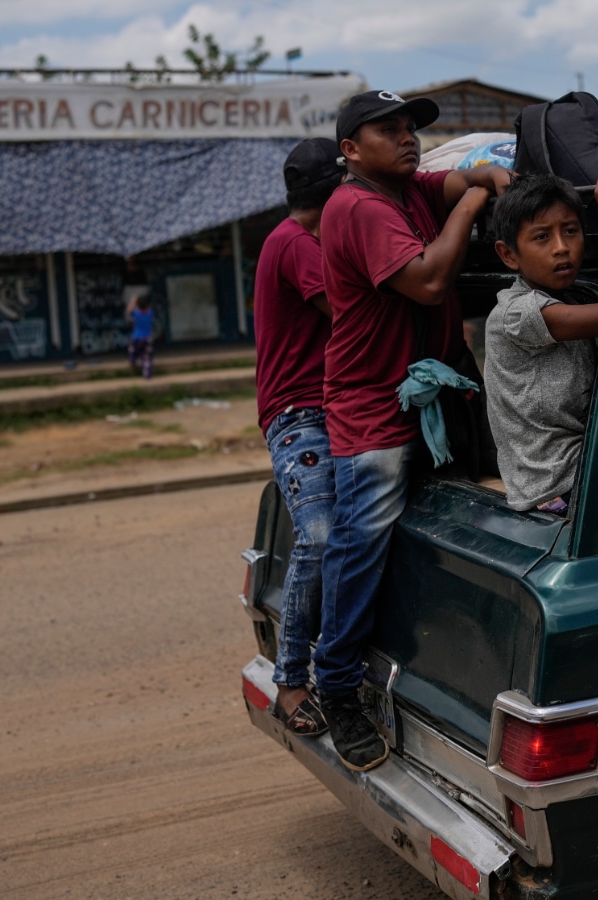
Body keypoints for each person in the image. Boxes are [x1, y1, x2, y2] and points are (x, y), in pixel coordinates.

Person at [315, 89, 511, 771]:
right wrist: (471, 202)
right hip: (374, 408)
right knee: (361, 546)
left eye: (410, 129)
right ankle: (336, 687)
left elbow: (459, 177)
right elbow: (428, 281)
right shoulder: (359, 206)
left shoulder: (408, 189)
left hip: (428, 399)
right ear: (349, 150)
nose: (406, 139)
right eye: (388, 130)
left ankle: (426, 670)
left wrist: (484, 175)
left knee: (443, 534)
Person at [252, 137, 346, 738]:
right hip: (300, 414)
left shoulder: (295, 241)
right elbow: (350, 310)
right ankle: (289, 684)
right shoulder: (296, 245)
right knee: (318, 536)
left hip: (325, 411)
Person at [483, 172, 598, 513]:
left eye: (571, 231)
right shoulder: (518, 313)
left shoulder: (573, 297)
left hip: (588, 467)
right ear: (509, 255)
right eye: (542, 237)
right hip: (559, 487)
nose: (561, 247)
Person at [123, 265, 156, 379]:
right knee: (147, 357)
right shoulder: (150, 313)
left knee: (133, 351)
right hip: (148, 338)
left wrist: (133, 300)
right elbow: (148, 306)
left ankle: (132, 362)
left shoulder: (136, 313)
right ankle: (147, 375)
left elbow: (128, 310)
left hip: (137, 338)